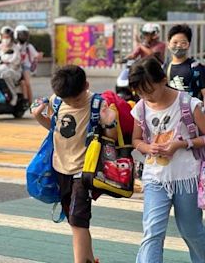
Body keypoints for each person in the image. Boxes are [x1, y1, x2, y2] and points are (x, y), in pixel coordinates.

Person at [31, 65, 117, 263]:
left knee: (78, 220)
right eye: (69, 101)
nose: (74, 104)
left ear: (86, 86)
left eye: (77, 100)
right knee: (74, 221)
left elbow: (111, 139)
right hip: (60, 167)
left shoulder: (98, 103)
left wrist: (110, 123)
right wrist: (39, 117)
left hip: (84, 171)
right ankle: (89, 259)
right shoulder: (58, 100)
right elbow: (55, 129)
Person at [129, 56, 205, 263]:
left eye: (149, 90)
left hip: (187, 177)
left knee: (191, 231)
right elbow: (136, 140)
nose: (146, 96)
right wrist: (147, 147)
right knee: (152, 232)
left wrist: (182, 144)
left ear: (163, 80)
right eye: (140, 92)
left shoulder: (189, 104)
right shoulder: (141, 107)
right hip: (155, 177)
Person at [163, 24, 205, 102]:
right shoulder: (165, 67)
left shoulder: (196, 67)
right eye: (175, 42)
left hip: (193, 112)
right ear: (168, 44)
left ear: (188, 45)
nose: (179, 46)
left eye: (183, 43)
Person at [0, 26, 22, 106]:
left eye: (8, 37)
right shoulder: (0, 46)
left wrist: (9, 62)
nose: (5, 39)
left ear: (11, 37)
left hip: (14, 71)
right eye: (4, 37)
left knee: (6, 74)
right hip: (2, 69)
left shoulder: (15, 48)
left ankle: (14, 96)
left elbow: (17, 60)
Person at [14, 25, 39, 105]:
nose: (23, 37)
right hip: (15, 66)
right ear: (16, 35)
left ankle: (31, 103)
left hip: (25, 67)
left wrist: (38, 56)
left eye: (25, 35)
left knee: (27, 83)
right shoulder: (15, 47)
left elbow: (36, 55)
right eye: (21, 34)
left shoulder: (29, 46)